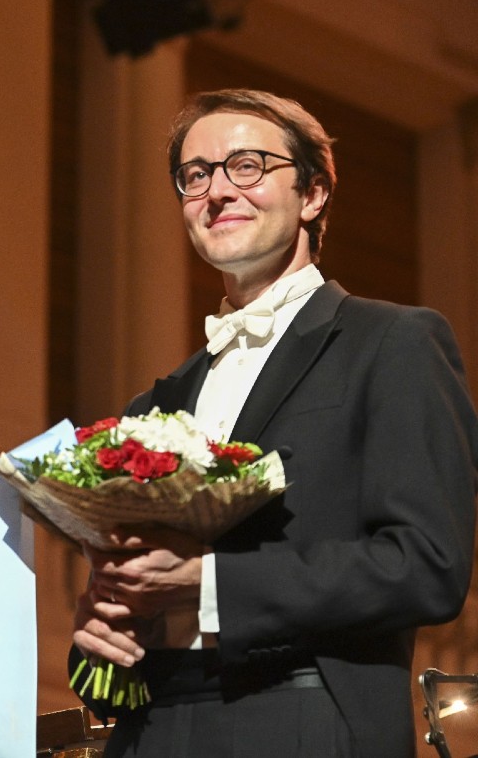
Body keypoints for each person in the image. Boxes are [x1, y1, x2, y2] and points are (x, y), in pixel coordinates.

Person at [70, 89, 478, 757]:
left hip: (302, 715)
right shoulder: (152, 408)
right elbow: (113, 652)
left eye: (248, 166)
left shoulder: (393, 342)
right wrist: (100, 640)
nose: (217, 191)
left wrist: (209, 583)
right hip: (153, 731)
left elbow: (427, 565)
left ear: (313, 193)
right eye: (195, 175)